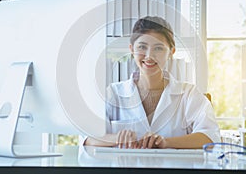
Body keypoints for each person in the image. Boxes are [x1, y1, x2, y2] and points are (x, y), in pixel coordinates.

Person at [84, 16, 220, 149]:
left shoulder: (188, 94)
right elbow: (87, 137)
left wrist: (166, 142)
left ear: (171, 52)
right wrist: (118, 138)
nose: (149, 56)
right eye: (142, 47)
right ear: (132, 49)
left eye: (158, 48)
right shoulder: (113, 93)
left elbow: (210, 137)